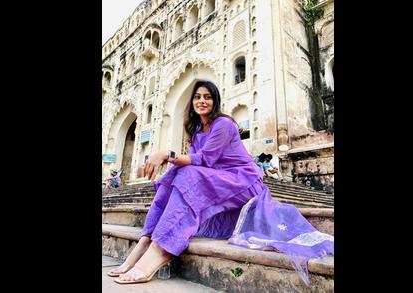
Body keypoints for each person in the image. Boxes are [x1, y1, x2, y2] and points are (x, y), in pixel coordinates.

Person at [107, 80, 333, 285]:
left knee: (186, 174)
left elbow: (204, 160)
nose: (202, 101)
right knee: (174, 174)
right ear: (192, 102)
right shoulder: (196, 133)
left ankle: (162, 248)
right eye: (197, 97)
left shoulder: (224, 124)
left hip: (243, 182)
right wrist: (173, 161)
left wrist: (166, 153)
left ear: (215, 101)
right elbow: (195, 163)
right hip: (218, 183)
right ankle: (147, 239)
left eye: (207, 97)